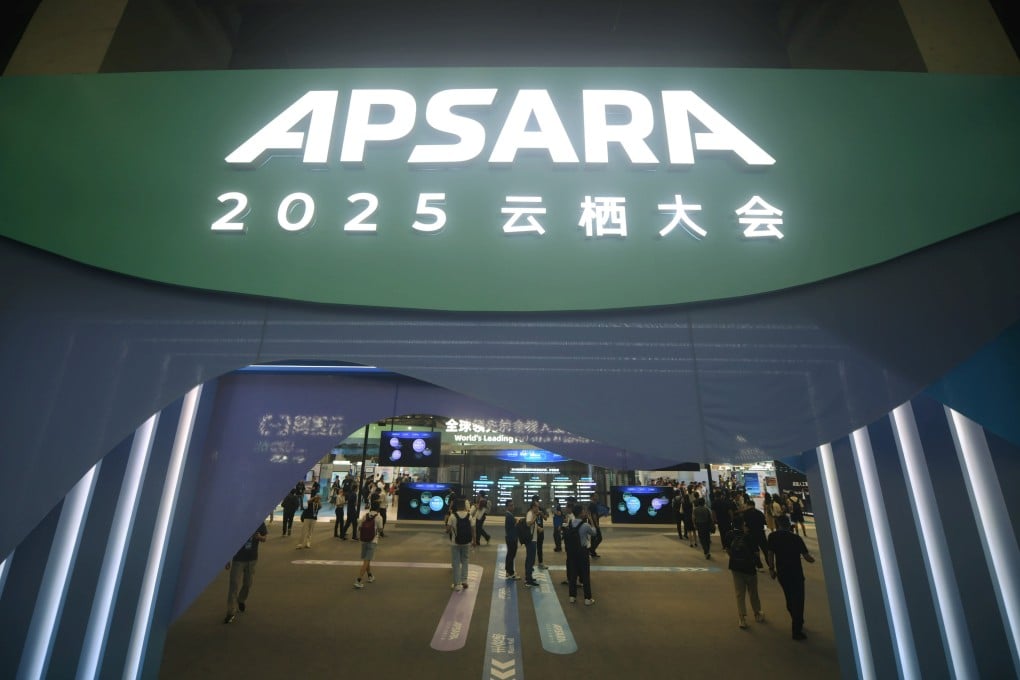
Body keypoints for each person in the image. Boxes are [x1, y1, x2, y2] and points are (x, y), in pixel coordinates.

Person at [767, 515, 816, 640]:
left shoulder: (772, 537)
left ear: (778, 524)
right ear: (789, 524)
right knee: (799, 601)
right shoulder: (796, 538)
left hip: (782, 574)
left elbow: (770, 553)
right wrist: (815, 560)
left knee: (789, 599)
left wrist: (771, 569)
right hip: (796, 573)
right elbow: (807, 557)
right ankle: (797, 628)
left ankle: (796, 619)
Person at [224, 522, 268, 623]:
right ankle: (230, 612)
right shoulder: (239, 521)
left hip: (252, 559)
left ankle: (241, 599)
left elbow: (265, 538)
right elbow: (230, 541)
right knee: (234, 584)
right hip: (238, 559)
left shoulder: (259, 521)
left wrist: (260, 537)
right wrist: (227, 559)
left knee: (248, 583)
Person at [726, 516, 764, 628]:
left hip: (735, 567)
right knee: (753, 592)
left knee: (739, 593)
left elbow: (728, 550)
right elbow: (756, 553)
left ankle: (742, 618)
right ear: (743, 524)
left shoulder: (729, 535)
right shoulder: (749, 536)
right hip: (749, 568)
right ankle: (757, 613)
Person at [563, 503, 596, 605]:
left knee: (573, 575)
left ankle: (572, 597)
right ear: (581, 513)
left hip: (572, 552)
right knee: (585, 575)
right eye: (583, 511)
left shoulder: (570, 523)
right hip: (582, 552)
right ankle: (587, 598)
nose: (585, 512)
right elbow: (594, 533)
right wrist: (591, 521)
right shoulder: (585, 525)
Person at [446, 497, 474, 591]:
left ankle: (457, 584)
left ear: (457, 506)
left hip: (455, 543)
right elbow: (473, 529)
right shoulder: (469, 516)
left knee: (456, 562)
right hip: (466, 542)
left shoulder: (453, 516)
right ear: (465, 506)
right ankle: (464, 581)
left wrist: (449, 529)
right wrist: (474, 540)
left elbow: (448, 530)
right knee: (465, 560)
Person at [354, 503, 383, 589]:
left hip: (364, 540)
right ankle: (358, 580)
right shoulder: (379, 517)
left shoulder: (365, 516)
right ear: (378, 509)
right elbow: (380, 529)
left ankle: (370, 576)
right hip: (373, 540)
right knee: (366, 560)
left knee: (367, 559)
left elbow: (359, 527)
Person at [523, 498, 540, 586]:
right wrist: (535, 517)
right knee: (530, 559)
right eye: (537, 506)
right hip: (530, 540)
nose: (538, 508)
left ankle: (528, 576)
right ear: (533, 507)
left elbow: (533, 525)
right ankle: (528, 579)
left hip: (533, 539)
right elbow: (528, 523)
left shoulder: (532, 513)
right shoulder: (530, 513)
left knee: (530, 559)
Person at [503, 500, 520, 580]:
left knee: (510, 554)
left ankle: (508, 571)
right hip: (511, 538)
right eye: (511, 505)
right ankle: (511, 573)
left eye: (513, 505)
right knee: (511, 555)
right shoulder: (509, 516)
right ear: (507, 507)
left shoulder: (509, 515)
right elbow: (516, 523)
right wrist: (516, 521)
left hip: (510, 537)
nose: (512, 507)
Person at [587, 493, 603, 558]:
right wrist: (596, 524)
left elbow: (593, 515)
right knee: (599, 538)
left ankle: (593, 552)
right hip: (594, 524)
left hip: (591, 524)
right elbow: (593, 515)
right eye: (596, 496)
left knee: (593, 538)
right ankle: (591, 550)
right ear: (592, 497)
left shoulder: (591, 505)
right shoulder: (593, 505)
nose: (597, 497)